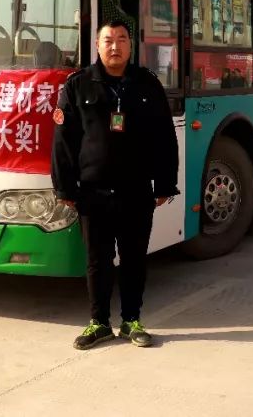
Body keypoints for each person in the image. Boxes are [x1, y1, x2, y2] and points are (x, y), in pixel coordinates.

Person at [52, 20, 180, 350]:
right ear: (97, 45)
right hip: (93, 193)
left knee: (134, 258)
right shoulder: (78, 85)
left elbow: (164, 137)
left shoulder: (147, 84)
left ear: (130, 46)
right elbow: (64, 142)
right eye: (108, 40)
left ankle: (131, 320)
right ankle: (99, 322)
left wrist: (165, 182)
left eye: (122, 39)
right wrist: (65, 188)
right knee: (98, 261)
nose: (115, 46)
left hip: (136, 191)